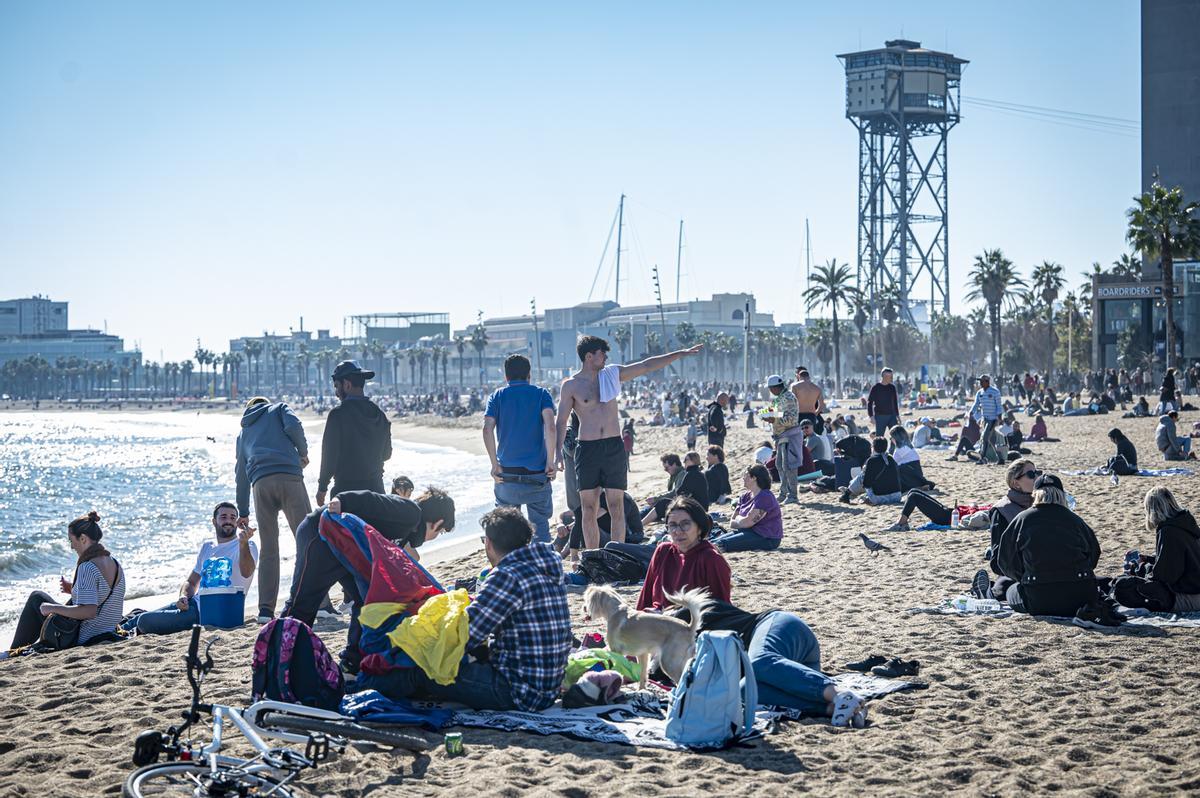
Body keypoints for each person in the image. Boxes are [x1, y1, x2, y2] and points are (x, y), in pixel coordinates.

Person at [361, 507, 571, 711]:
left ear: (488, 543)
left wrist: (425, 640)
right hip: (549, 686)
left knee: (424, 671)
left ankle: (357, 689)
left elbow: (465, 635)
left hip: (517, 692)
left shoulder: (507, 575)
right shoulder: (548, 564)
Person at [283, 487, 456, 672]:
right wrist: (343, 500)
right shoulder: (410, 512)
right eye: (440, 532)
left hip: (344, 550)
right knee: (303, 603)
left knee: (365, 602)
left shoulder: (408, 528)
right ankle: (280, 659)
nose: (435, 537)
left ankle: (352, 662)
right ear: (438, 523)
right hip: (319, 534)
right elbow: (373, 500)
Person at [555, 335, 702, 550]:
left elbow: (646, 365)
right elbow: (560, 422)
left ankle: (616, 553)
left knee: (616, 506)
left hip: (613, 447)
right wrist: (557, 453)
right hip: (587, 449)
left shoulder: (612, 374)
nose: (606, 357)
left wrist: (680, 354)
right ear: (589, 356)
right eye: (601, 353)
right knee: (588, 508)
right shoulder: (571, 386)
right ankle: (594, 556)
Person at [666, 599, 867, 726]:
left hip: (779, 629)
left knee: (759, 660)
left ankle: (838, 693)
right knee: (743, 695)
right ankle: (835, 707)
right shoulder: (669, 658)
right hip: (791, 671)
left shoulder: (684, 616)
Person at [121, 502, 256, 634]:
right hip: (191, 604)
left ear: (238, 523)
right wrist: (183, 597)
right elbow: (191, 582)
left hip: (209, 614)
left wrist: (243, 544)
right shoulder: (208, 547)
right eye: (223, 517)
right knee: (136, 619)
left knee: (144, 621)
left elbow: (247, 572)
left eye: (233, 518)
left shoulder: (247, 545)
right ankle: (112, 632)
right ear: (214, 521)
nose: (229, 521)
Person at [235, 396, 312, 622]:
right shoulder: (278, 409)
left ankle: (265, 611)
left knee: (269, 548)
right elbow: (294, 426)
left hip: (261, 485)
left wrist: (243, 511)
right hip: (289, 477)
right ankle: (321, 603)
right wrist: (302, 452)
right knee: (308, 540)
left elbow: (241, 473)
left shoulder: (243, 432)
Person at [10, 511, 125, 650]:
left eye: (72, 541)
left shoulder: (88, 567)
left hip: (83, 637)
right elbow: (102, 595)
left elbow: (89, 611)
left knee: (36, 598)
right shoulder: (115, 564)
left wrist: (52, 608)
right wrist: (73, 589)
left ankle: (13, 650)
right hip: (107, 631)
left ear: (83, 539)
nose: (71, 546)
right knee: (40, 599)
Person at [993, 474, 1103, 617]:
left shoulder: (1022, 519)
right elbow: (1094, 553)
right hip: (1081, 597)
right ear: (1061, 494)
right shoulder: (1075, 520)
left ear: (1036, 494)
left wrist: (1023, 577)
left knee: (1010, 591)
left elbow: (1005, 561)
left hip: (1039, 598)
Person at [484, 354, 557, 544]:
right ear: (529, 374)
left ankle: (511, 568)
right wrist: (551, 461)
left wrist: (494, 464)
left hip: (507, 474)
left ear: (506, 377)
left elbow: (487, 429)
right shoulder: (541, 394)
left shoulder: (497, 396)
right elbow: (550, 426)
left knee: (506, 531)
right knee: (540, 528)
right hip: (537, 474)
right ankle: (543, 569)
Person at [1110, 487, 1200, 612]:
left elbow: (1165, 576)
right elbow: (1180, 560)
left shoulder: (1169, 531)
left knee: (1123, 587)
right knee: (1138, 575)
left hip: (1188, 596)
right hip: (1193, 588)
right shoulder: (1185, 523)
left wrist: (1143, 570)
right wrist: (1148, 560)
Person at [887, 457, 1036, 533]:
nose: (1036, 477)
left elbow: (979, 518)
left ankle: (901, 523)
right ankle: (902, 522)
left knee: (914, 495)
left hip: (949, 516)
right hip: (954, 513)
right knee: (913, 493)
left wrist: (972, 508)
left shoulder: (1012, 507)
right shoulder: (1006, 503)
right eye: (1032, 474)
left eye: (1037, 473)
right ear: (1015, 482)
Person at [316, 360, 392, 505]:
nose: (336, 393)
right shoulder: (380, 415)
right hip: (377, 494)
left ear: (347, 385)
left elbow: (329, 457)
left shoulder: (337, 415)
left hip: (346, 494)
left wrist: (322, 487)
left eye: (337, 386)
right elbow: (387, 454)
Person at [637, 497, 731, 611]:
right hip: (655, 623)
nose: (677, 531)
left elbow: (722, 609)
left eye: (685, 524)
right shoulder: (663, 551)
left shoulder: (710, 559)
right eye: (672, 525)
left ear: (700, 528)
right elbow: (645, 599)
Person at [712, 464, 784, 553]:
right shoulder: (745, 496)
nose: (743, 478)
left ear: (754, 478)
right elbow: (732, 523)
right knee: (712, 541)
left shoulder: (765, 496)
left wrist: (740, 520)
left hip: (766, 537)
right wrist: (742, 521)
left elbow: (748, 523)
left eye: (745, 475)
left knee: (721, 543)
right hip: (747, 532)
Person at [761, 374, 802, 505]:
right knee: (780, 465)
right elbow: (779, 413)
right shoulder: (779, 398)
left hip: (789, 435)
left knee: (789, 465)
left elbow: (791, 419)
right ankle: (784, 493)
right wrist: (766, 413)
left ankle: (793, 495)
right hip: (781, 436)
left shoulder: (788, 398)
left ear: (774, 388)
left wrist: (773, 419)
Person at [642, 451, 710, 523]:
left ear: (693, 461)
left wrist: (659, 499)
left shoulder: (692, 474)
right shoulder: (697, 473)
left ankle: (641, 524)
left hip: (696, 509)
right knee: (662, 504)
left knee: (662, 504)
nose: (684, 462)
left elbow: (681, 493)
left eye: (686, 460)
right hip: (699, 507)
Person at [843, 437, 901, 505]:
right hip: (897, 496)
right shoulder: (891, 458)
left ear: (873, 447)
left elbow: (866, 483)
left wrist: (865, 471)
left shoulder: (872, 460)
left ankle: (847, 494)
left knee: (862, 476)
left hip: (879, 498)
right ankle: (851, 493)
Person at [968, 374, 1004, 465]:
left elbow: (999, 406)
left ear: (987, 382)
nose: (980, 383)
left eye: (982, 381)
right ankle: (1001, 458)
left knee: (984, 438)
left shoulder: (995, 392)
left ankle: (982, 458)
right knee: (992, 440)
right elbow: (976, 404)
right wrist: (971, 412)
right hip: (985, 419)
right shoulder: (979, 393)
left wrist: (999, 418)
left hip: (993, 419)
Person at [889, 425, 934, 492]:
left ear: (895, 437)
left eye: (891, 437)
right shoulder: (908, 446)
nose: (891, 439)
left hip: (909, 475)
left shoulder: (901, 450)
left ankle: (917, 487)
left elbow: (893, 464)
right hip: (916, 474)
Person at [791, 367, 827, 434]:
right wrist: (815, 413)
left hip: (799, 415)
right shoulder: (817, 388)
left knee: (799, 437)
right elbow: (822, 405)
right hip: (811, 415)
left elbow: (792, 402)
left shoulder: (794, 386)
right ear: (808, 377)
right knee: (811, 435)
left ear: (799, 376)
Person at [867, 368, 900, 437]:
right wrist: (871, 416)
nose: (891, 378)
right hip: (880, 416)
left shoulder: (892, 387)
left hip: (892, 416)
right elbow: (870, 402)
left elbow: (895, 402)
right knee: (879, 437)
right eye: (889, 377)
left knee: (895, 435)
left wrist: (897, 415)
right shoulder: (875, 387)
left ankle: (892, 448)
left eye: (891, 376)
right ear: (884, 376)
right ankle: (879, 448)